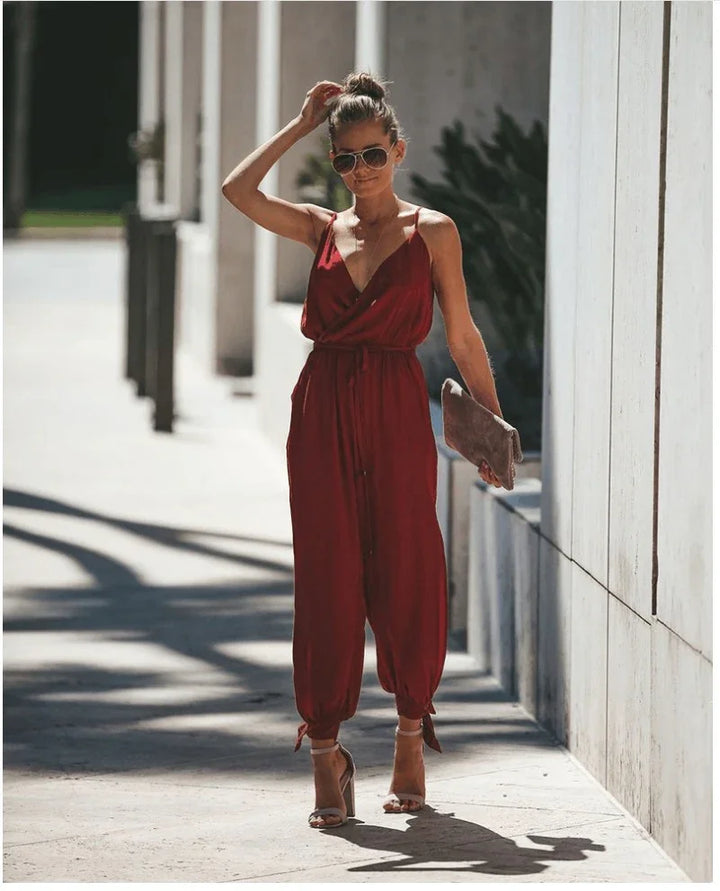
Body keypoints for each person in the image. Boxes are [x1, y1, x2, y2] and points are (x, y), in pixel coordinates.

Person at [222, 71, 504, 829]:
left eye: (372, 154)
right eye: (345, 159)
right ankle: (326, 750)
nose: (360, 171)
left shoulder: (433, 231)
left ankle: (411, 731)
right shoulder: (321, 228)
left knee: (407, 561)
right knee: (327, 571)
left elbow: (464, 335)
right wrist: (299, 121)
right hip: (321, 409)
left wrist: (493, 429)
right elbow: (237, 191)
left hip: (393, 406)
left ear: (398, 150)